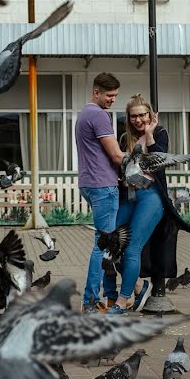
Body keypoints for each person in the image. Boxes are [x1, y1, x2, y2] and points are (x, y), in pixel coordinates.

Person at [101, 94, 166, 315]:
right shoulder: (123, 138)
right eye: (133, 116)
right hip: (128, 196)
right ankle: (139, 285)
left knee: (132, 249)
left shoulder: (159, 133)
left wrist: (149, 133)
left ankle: (121, 302)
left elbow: (160, 162)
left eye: (142, 115)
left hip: (151, 197)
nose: (138, 120)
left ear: (150, 115)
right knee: (109, 243)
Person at [75, 72, 125, 314]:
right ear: (96, 92)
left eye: (115, 95)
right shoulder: (99, 115)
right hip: (103, 185)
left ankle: (109, 295)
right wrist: (140, 160)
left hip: (88, 183)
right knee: (102, 245)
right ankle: (90, 301)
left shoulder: (84, 114)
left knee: (107, 244)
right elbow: (116, 156)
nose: (112, 100)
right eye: (109, 95)